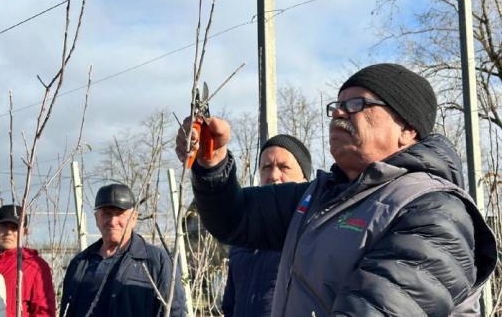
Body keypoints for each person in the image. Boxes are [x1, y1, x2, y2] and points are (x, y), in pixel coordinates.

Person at [175, 63, 497, 316]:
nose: (340, 112)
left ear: (407, 128)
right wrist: (212, 165)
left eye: (357, 103)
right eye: (337, 105)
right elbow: (233, 217)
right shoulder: (317, 199)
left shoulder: (436, 212)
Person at [60, 183, 186, 317]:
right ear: (97, 218)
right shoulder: (80, 264)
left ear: (134, 218)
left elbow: (175, 312)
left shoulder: (156, 262)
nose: (113, 221)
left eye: (119, 213)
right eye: (106, 213)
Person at [222, 134, 311, 317]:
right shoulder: (243, 239)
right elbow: (230, 304)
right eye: (266, 167)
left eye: (284, 167)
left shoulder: (312, 233)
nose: (273, 176)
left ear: (305, 178)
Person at [0, 205, 56, 317]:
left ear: (25, 231)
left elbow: (44, 311)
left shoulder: (34, 266)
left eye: (15, 227)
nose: (8, 232)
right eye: (4, 226)